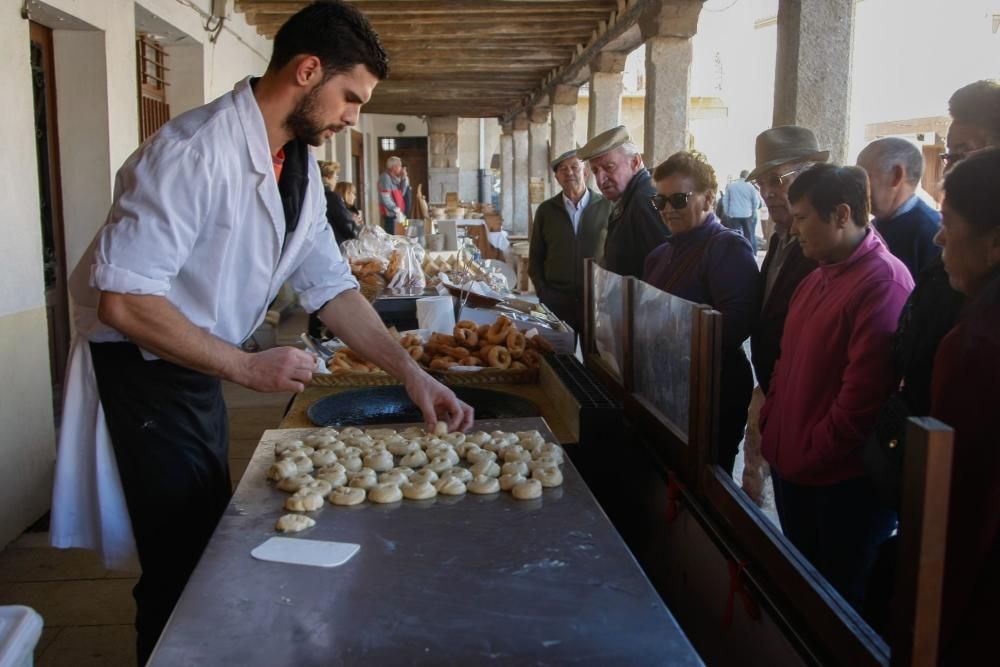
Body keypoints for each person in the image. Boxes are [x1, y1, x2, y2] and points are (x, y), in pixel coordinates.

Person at [51, 3, 473, 664]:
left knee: (207, 545)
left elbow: (333, 290)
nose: (352, 118)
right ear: (308, 70)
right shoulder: (192, 153)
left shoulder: (295, 169)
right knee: (180, 564)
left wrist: (415, 375)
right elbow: (125, 302)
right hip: (143, 375)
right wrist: (248, 368)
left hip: (196, 368)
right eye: (351, 98)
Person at [759, 164, 913, 610]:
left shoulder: (884, 283)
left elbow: (861, 402)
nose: (790, 226)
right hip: (796, 469)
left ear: (842, 214)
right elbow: (785, 362)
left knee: (838, 604)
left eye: (803, 217)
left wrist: (809, 449)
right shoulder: (815, 276)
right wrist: (773, 426)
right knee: (803, 592)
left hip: (840, 485)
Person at [929, 148, 1000, 664]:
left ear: (994, 241)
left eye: (948, 222)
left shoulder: (977, 346)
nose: (938, 238)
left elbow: (960, 508)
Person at [644, 152, 758, 474]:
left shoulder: (726, 247)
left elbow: (736, 324)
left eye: (678, 200)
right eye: (660, 202)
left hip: (711, 394)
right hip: (667, 389)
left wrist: (668, 327)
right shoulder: (658, 256)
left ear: (708, 198)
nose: (667, 210)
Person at [747, 126, 826, 395]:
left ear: (810, 178)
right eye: (761, 184)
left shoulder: (824, 248)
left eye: (776, 180)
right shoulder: (779, 238)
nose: (767, 193)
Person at [528, 149, 610, 336]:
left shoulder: (606, 207)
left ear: (585, 172)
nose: (569, 173)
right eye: (562, 169)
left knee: (596, 360)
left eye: (574, 167)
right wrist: (544, 292)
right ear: (557, 178)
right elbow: (535, 257)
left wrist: (607, 293)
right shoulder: (546, 210)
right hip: (557, 301)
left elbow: (614, 253)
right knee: (558, 358)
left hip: (596, 301)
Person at [577, 125, 669, 278]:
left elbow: (663, 270)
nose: (600, 179)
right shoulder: (630, 197)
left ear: (635, 162)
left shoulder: (645, 200)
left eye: (609, 167)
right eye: (595, 171)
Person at [856, 137, 940, 279]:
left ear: (896, 175)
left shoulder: (933, 235)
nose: (858, 187)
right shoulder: (873, 225)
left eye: (864, 177)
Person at [719, 169, 763, 253]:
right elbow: (755, 201)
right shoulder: (750, 186)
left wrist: (727, 212)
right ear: (747, 176)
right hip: (747, 214)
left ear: (740, 176)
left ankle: (735, 252)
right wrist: (753, 212)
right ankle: (751, 253)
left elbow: (725, 200)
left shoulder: (731, 186)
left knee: (735, 235)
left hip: (734, 214)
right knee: (749, 235)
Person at [319, 160, 357, 245]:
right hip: (335, 243)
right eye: (335, 176)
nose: (336, 180)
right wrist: (354, 223)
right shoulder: (332, 197)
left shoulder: (315, 194)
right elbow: (346, 225)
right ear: (328, 177)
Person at [379, 156, 410, 233]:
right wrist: (396, 209)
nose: (401, 169)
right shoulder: (385, 178)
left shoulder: (396, 178)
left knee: (403, 234)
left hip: (401, 213)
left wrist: (404, 178)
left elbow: (402, 194)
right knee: (393, 238)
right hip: (392, 216)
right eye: (400, 166)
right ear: (394, 167)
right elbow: (386, 199)